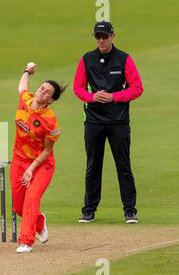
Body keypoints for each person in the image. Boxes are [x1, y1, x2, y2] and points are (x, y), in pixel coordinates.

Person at [73, 21, 143, 224]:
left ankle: (130, 210)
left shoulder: (124, 59)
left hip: (118, 121)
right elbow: (79, 88)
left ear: (113, 36)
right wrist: (92, 97)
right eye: (98, 37)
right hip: (94, 120)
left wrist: (114, 97)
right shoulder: (87, 59)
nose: (101, 41)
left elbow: (137, 88)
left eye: (105, 37)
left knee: (123, 165)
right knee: (93, 165)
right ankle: (89, 210)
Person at [10, 62, 66, 253]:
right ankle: (39, 222)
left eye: (48, 92)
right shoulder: (26, 100)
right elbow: (22, 86)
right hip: (18, 159)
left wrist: (31, 169)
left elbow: (47, 151)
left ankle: (25, 241)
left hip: (42, 164)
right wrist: (27, 70)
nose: (43, 92)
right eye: (42, 88)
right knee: (18, 207)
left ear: (51, 100)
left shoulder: (50, 121)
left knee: (31, 200)